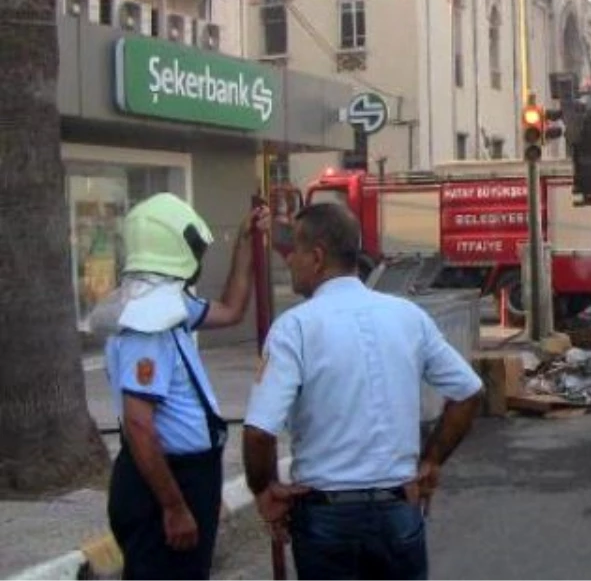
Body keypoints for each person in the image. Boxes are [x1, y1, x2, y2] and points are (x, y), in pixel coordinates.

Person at [242, 202, 483, 581]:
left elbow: (258, 432)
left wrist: (264, 489)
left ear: (317, 257)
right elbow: (468, 391)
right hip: (397, 511)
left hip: (327, 520)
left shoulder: (295, 328)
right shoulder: (407, 316)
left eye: (295, 253)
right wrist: (431, 460)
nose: (289, 262)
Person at [87, 193, 267, 580]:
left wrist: (244, 244)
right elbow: (139, 425)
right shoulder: (146, 323)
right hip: (164, 481)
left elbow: (232, 309)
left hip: (186, 475)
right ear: (173, 249)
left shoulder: (167, 304)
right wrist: (175, 506)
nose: (199, 259)